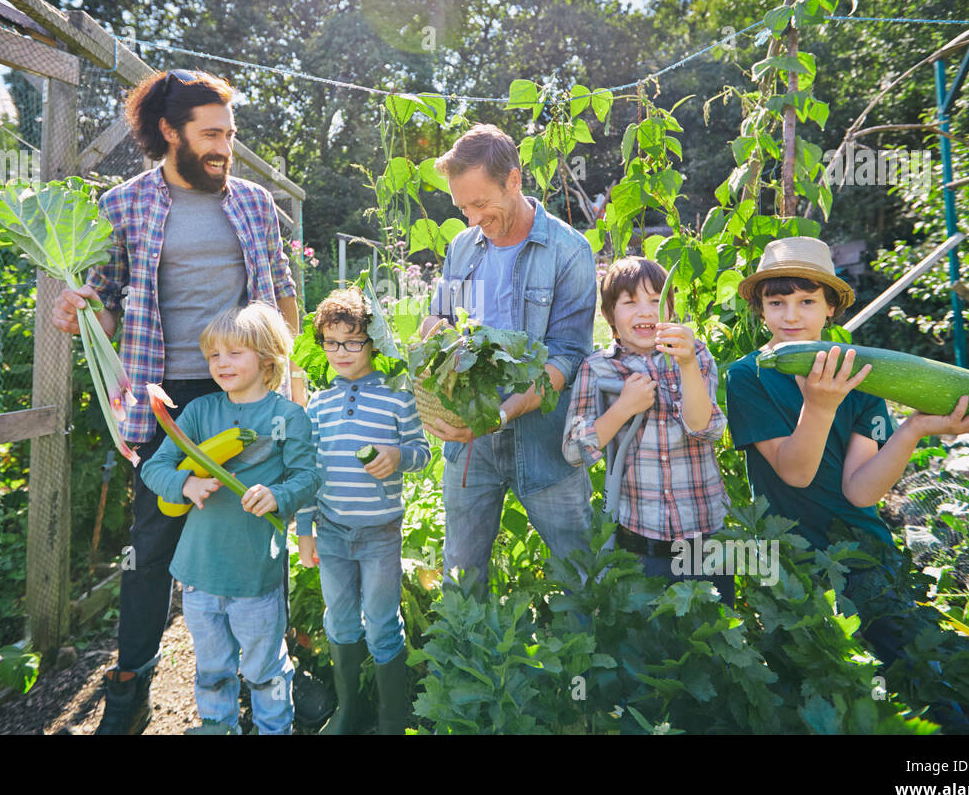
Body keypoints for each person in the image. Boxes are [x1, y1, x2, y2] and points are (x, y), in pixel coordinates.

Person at [49, 69, 305, 734]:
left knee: (259, 526)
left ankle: (271, 675)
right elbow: (104, 308)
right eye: (212, 133)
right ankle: (131, 683)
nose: (225, 146)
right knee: (152, 540)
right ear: (170, 131)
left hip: (246, 393)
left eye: (230, 133)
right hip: (165, 395)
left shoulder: (251, 202)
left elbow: (281, 291)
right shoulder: (125, 204)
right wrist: (81, 312)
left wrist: (283, 373)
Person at [724, 237, 969, 682]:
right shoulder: (748, 376)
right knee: (816, 685)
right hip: (789, 561)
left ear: (831, 307)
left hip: (863, 553)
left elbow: (861, 489)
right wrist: (819, 406)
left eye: (807, 301)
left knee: (910, 677)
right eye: (777, 302)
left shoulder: (864, 376)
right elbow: (795, 473)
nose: (791, 315)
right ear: (761, 309)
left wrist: (914, 428)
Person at [420, 123, 596, 587]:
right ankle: (467, 656)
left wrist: (499, 415)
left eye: (481, 204)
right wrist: (431, 340)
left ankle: (583, 657)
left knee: (578, 569)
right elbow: (437, 319)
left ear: (514, 181)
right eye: (462, 207)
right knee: (462, 570)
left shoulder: (568, 252)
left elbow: (567, 358)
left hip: (544, 440)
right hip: (468, 441)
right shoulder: (462, 248)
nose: (473, 218)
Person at [139, 303, 320, 735]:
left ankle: (275, 728)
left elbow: (308, 477)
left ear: (268, 357)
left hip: (255, 572)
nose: (221, 363)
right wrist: (185, 485)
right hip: (199, 572)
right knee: (212, 669)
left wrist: (277, 495)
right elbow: (154, 467)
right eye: (214, 355)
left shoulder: (289, 418)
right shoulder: (200, 413)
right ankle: (217, 726)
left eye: (234, 353)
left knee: (266, 669)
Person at [295, 287, 430, 734]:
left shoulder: (396, 395)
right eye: (331, 342)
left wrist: (397, 455)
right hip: (332, 532)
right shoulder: (318, 404)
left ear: (372, 342)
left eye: (352, 341)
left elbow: (421, 451)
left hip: (379, 534)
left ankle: (393, 719)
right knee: (340, 620)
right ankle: (350, 713)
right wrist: (306, 530)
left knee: (382, 626)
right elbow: (308, 472)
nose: (341, 352)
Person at [561, 256, 732, 602]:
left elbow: (707, 430)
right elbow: (573, 450)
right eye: (630, 302)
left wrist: (686, 366)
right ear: (609, 315)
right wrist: (623, 408)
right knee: (647, 642)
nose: (645, 312)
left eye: (656, 301)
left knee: (714, 635)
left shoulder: (694, 355)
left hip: (704, 537)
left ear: (670, 308)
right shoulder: (598, 369)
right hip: (640, 540)